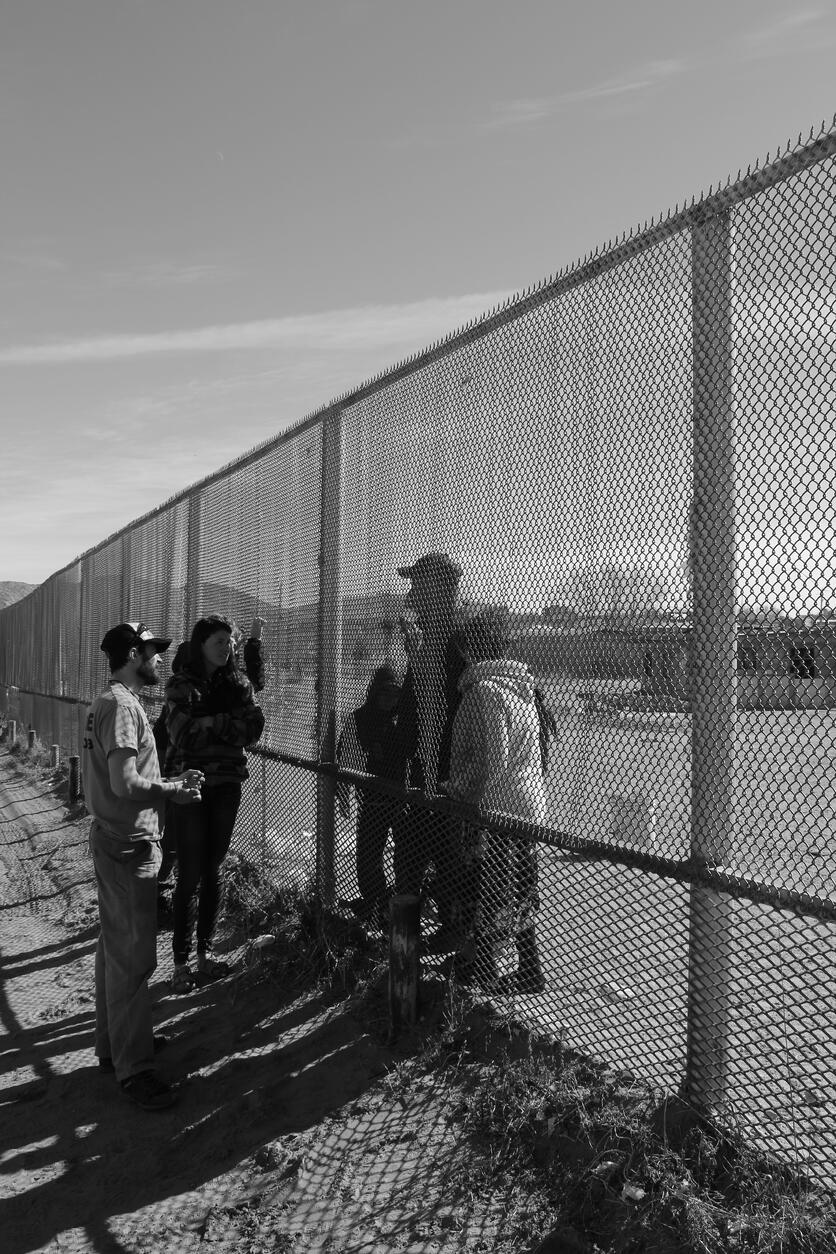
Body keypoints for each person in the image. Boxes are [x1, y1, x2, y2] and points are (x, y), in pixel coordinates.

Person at [83, 622, 204, 1110]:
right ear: (133, 654)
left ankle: (113, 1047)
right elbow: (125, 783)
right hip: (128, 845)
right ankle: (134, 1068)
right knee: (134, 959)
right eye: (153, 651)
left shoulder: (105, 701)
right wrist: (174, 789)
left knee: (113, 949)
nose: (158, 659)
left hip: (113, 839)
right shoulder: (122, 706)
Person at [445, 608, 550, 994]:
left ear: (473, 648)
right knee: (518, 884)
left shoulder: (485, 692)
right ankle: (528, 968)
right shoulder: (520, 689)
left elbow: (492, 760)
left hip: (496, 805)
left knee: (487, 885)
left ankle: (485, 969)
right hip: (527, 802)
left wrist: (454, 787)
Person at [165, 614, 265, 993]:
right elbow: (183, 735)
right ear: (201, 645)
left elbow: (254, 728)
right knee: (190, 871)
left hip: (226, 785)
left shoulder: (239, 684)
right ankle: (180, 964)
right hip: (191, 785)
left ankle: (204, 956)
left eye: (230, 641)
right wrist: (227, 724)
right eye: (219, 641)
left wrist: (210, 721)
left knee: (213, 868)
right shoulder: (181, 685)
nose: (227, 647)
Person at [392, 552, 467, 952]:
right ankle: (408, 941)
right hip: (425, 768)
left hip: (450, 773)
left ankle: (454, 935)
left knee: (449, 856)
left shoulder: (458, 641)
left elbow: (457, 706)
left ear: (440, 588)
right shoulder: (427, 640)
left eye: (418, 584)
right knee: (411, 853)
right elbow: (416, 704)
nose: (411, 594)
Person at [335, 664, 403, 930]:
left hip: (402, 801)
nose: (389, 700)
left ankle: (393, 908)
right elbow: (345, 756)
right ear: (374, 693)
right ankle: (375, 903)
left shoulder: (403, 720)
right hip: (373, 798)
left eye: (395, 694)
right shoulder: (361, 718)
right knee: (367, 857)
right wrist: (344, 793)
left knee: (405, 860)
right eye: (384, 693)